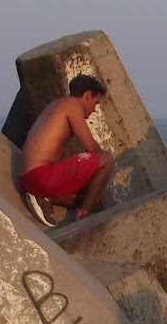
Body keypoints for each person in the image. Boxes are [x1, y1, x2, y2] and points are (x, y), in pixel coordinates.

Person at [18, 74, 115, 227]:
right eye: (95, 103)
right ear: (87, 95)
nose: (95, 110)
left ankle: (44, 197)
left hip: (27, 178)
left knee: (94, 197)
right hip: (41, 175)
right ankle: (83, 217)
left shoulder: (57, 105)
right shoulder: (71, 105)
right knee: (106, 160)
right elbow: (91, 148)